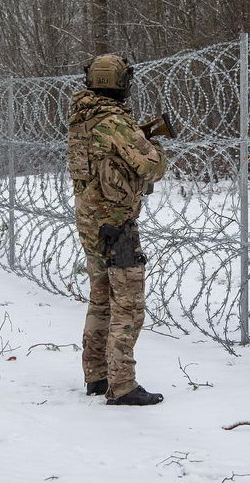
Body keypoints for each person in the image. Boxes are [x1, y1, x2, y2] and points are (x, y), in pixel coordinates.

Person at [67, 54, 167, 406]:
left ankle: (96, 375)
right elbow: (152, 167)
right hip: (117, 223)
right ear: (122, 82)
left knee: (100, 299)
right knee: (128, 305)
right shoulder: (113, 121)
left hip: (90, 220)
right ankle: (122, 385)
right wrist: (153, 143)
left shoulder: (82, 118)